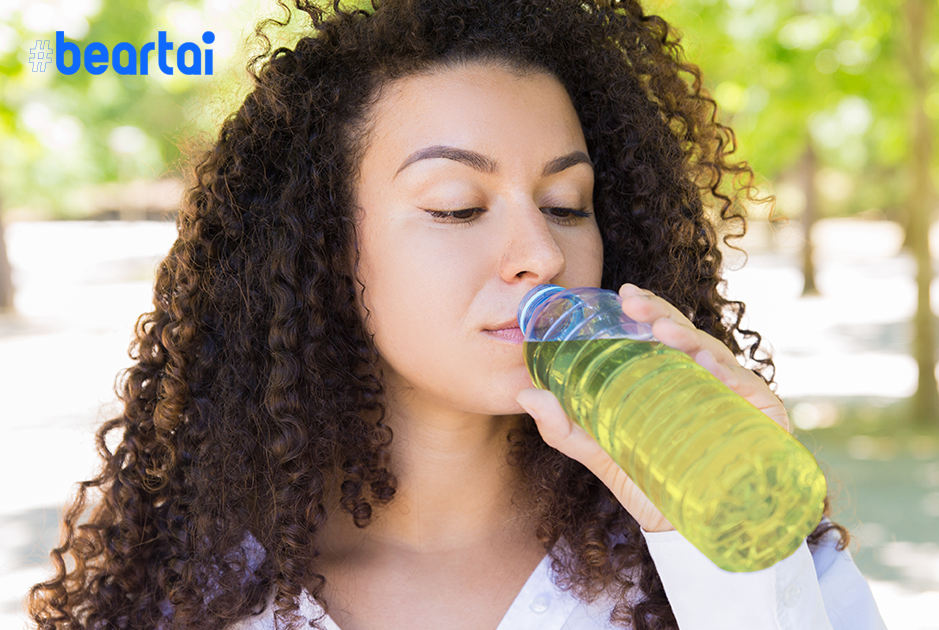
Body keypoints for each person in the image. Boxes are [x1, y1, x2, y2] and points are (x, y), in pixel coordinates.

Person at [28, 0, 887, 628]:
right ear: (322, 245)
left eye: (566, 202)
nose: (542, 256)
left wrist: (720, 539)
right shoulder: (187, 590)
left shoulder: (737, 566)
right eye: (455, 207)